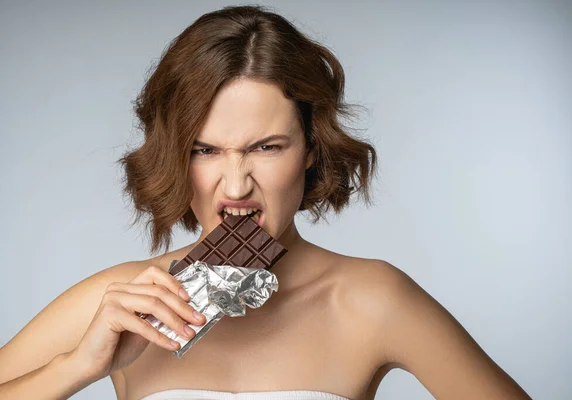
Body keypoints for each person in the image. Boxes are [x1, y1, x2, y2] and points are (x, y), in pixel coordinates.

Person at [0, 5, 531, 400]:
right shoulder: (125, 303)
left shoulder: (372, 299)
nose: (235, 186)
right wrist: (75, 368)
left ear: (310, 149)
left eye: (266, 147)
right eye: (205, 150)